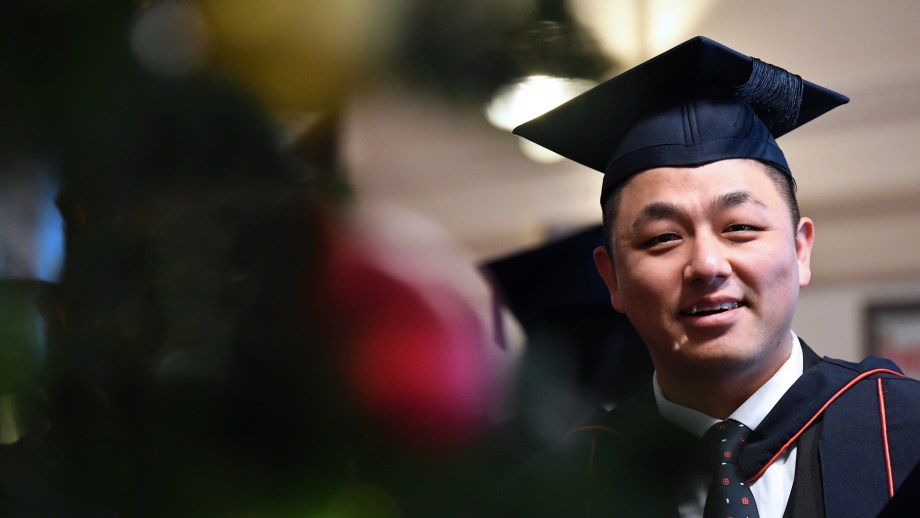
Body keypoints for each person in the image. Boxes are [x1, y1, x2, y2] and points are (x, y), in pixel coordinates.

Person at [497, 36, 920, 518]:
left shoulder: (907, 434)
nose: (706, 265)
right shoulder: (552, 491)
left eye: (739, 228)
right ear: (612, 278)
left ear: (801, 249)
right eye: (662, 238)